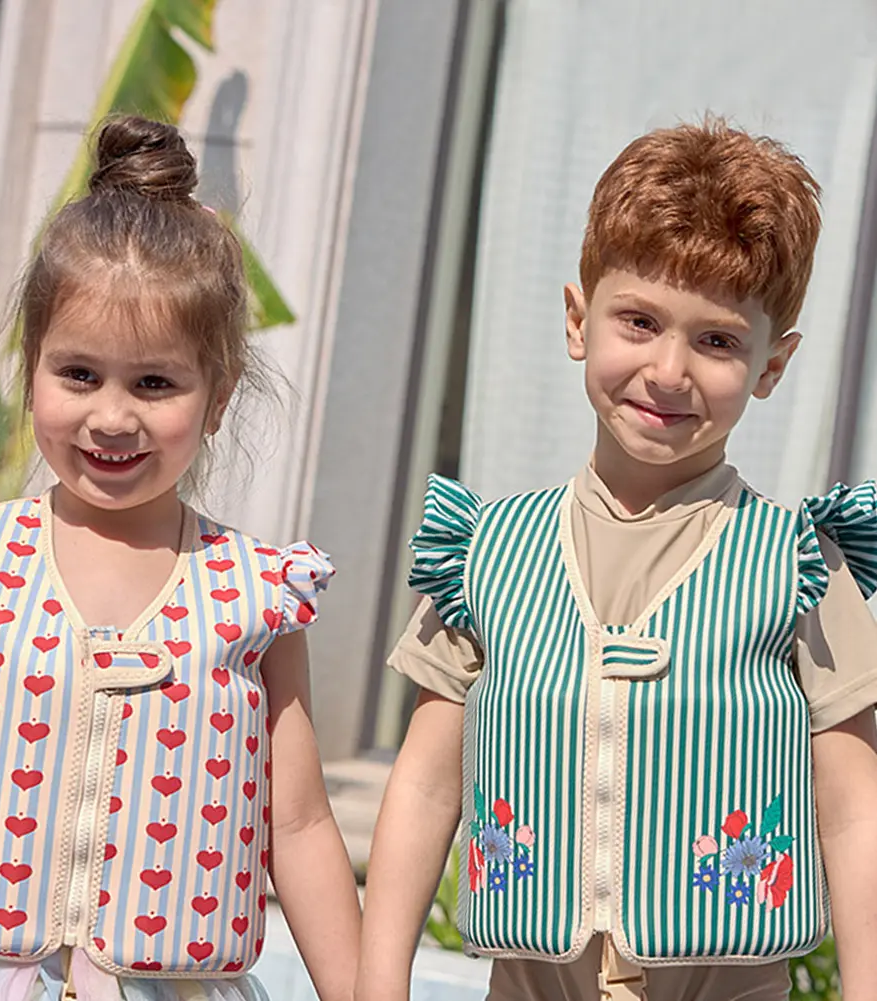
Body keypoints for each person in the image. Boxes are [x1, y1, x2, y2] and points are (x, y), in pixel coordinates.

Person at [356, 118, 877, 1001]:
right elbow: (425, 784)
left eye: (716, 341)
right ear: (577, 320)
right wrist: (378, 984)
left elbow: (855, 810)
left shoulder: (798, 564)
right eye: (638, 321)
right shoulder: (485, 553)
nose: (668, 370)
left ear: (771, 365)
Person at [0, 115, 360, 1001]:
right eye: (78, 374)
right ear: (31, 369)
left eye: (154, 383)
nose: (111, 416)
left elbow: (296, 824)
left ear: (217, 398)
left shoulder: (255, 596)